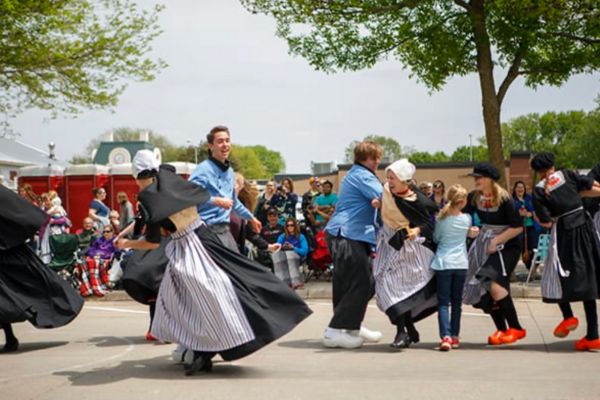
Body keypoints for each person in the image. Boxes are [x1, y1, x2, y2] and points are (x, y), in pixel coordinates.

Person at [116, 150, 312, 376]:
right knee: (218, 289)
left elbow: (151, 242)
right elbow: (199, 197)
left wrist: (126, 244)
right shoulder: (174, 183)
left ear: (136, 176)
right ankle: (198, 347)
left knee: (191, 300)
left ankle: (203, 348)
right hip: (205, 237)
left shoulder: (149, 197)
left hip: (188, 248)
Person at [530, 153, 600, 351]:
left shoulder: (538, 190)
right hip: (585, 227)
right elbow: (591, 185)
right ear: (552, 164)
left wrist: (542, 217)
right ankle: (593, 334)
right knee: (588, 277)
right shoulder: (567, 174)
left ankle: (568, 316)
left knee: (557, 273)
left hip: (564, 232)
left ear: (538, 171)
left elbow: (545, 219)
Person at [0, 185, 83, 352]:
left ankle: (10, 337)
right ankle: (10, 337)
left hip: (8, 250)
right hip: (8, 250)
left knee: (21, 291)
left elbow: (18, 209)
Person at [322, 140, 384, 349]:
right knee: (362, 282)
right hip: (347, 233)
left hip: (350, 234)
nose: (377, 162)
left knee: (351, 283)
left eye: (377, 158)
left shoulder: (358, 174)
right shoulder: (362, 176)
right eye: (373, 158)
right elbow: (387, 196)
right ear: (362, 159)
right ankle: (334, 331)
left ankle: (350, 326)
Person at [373, 159, 439, 349]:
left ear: (403, 179)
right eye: (388, 177)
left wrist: (416, 230)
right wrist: (379, 204)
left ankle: (402, 332)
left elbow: (427, 223)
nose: (389, 181)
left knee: (401, 289)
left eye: (393, 178)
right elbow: (386, 205)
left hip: (409, 248)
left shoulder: (415, 200)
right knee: (385, 284)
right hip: (388, 243)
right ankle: (408, 329)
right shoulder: (386, 191)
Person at [462, 163, 526, 346]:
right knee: (483, 288)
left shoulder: (505, 199)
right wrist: (468, 228)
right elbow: (460, 213)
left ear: (490, 179)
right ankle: (502, 329)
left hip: (507, 245)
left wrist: (496, 241)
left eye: (479, 177)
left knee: (493, 282)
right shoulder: (474, 197)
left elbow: (518, 227)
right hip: (484, 243)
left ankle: (516, 328)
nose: (476, 180)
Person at [189, 125, 262, 252]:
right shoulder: (203, 170)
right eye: (220, 141)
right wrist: (216, 200)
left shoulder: (229, 172)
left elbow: (234, 203)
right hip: (206, 230)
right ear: (211, 146)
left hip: (224, 230)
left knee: (237, 268)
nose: (225, 144)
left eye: (227, 140)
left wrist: (251, 218)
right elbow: (190, 195)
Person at [431, 184, 479, 351]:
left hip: (443, 262)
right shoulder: (466, 219)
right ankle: (455, 336)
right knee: (457, 302)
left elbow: (436, 238)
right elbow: (469, 234)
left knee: (443, 302)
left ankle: (445, 336)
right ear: (463, 201)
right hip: (460, 263)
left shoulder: (440, 218)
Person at [79, 225, 120, 297]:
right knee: (84, 263)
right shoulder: (99, 240)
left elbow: (116, 252)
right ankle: (88, 288)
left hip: (106, 259)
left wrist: (102, 256)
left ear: (112, 232)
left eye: (107, 231)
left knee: (92, 263)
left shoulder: (114, 241)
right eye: (104, 232)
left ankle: (96, 287)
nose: (105, 233)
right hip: (95, 258)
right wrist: (94, 255)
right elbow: (91, 250)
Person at [273, 218, 308, 289]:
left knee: (289, 254)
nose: (290, 227)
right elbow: (277, 248)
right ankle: (281, 281)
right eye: (288, 225)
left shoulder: (301, 237)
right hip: (284, 255)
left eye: (292, 225)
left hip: (297, 255)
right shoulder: (282, 237)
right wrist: (283, 247)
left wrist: (293, 247)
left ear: (295, 226)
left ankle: (295, 282)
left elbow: (304, 251)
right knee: (275, 255)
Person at [512, 180, 538, 269]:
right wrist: (518, 214)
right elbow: (510, 214)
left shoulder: (529, 198)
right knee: (520, 248)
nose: (520, 189)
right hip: (518, 228)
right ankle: (513, 270)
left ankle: (533, 268)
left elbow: (535, 210)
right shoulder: (512, 200)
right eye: (518, 187)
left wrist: (530, 214)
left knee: (533, 247)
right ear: (515, 189)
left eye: (522, 187)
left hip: (531, 227)